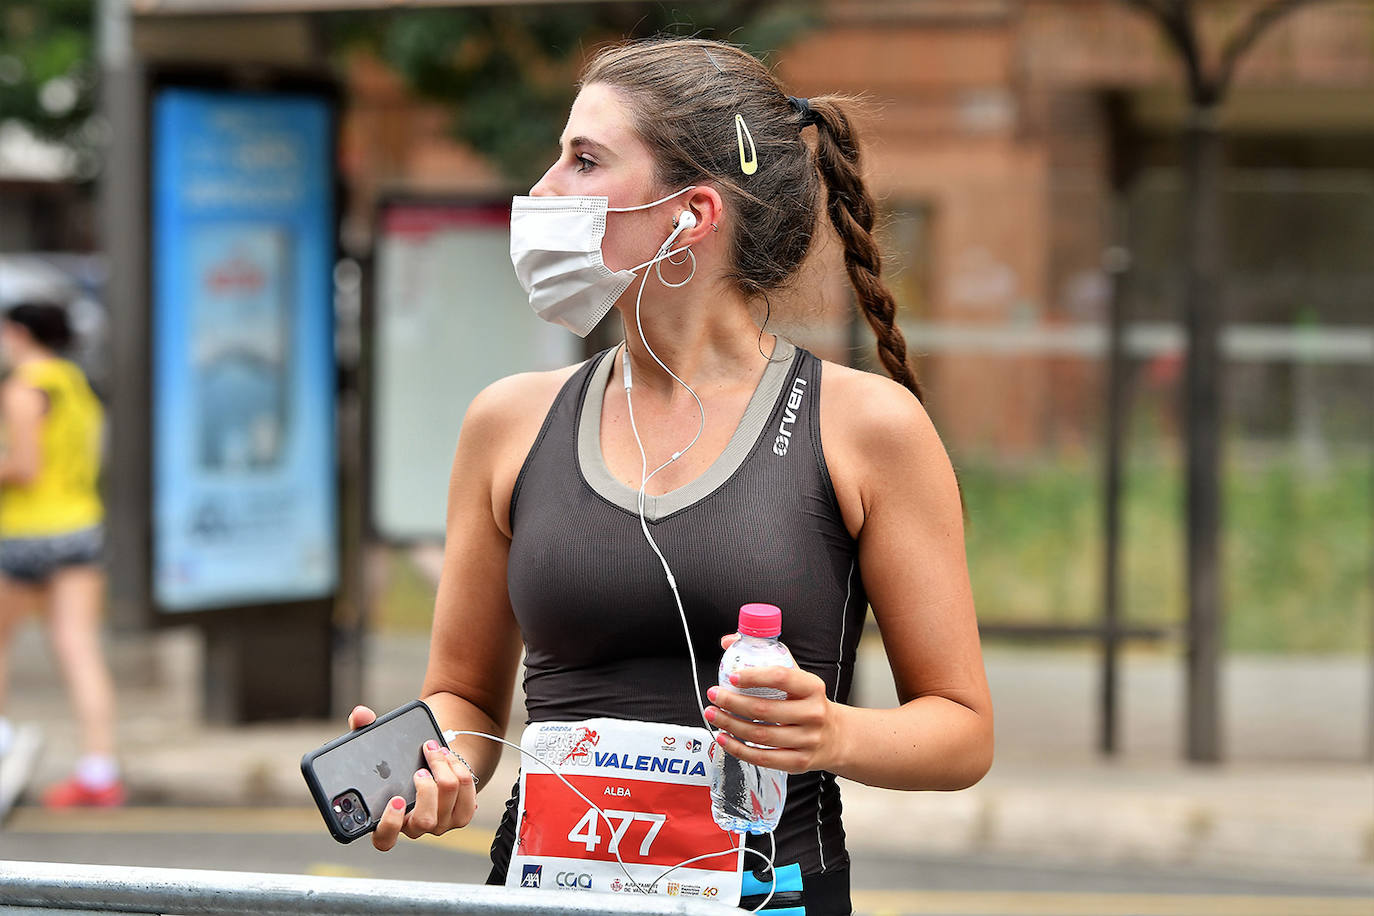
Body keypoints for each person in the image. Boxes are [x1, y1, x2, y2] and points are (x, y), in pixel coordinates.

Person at [348, 37, 991, 913]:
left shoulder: (868, 426)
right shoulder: (508, 420)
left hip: (773, 898)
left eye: (584, 161)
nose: (541, 192)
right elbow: (463, 692)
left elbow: (961, 730)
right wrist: (437, 766)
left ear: (689, 216)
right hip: (544, 895)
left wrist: (830, 731)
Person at [0, 301, 123, 808]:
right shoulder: (76, 384)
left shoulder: (24, 386)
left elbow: (25, 465)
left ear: (21, 332)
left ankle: (5, 742)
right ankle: (100, 769)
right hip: (79, 525)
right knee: (79, 647)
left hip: (26, 530)